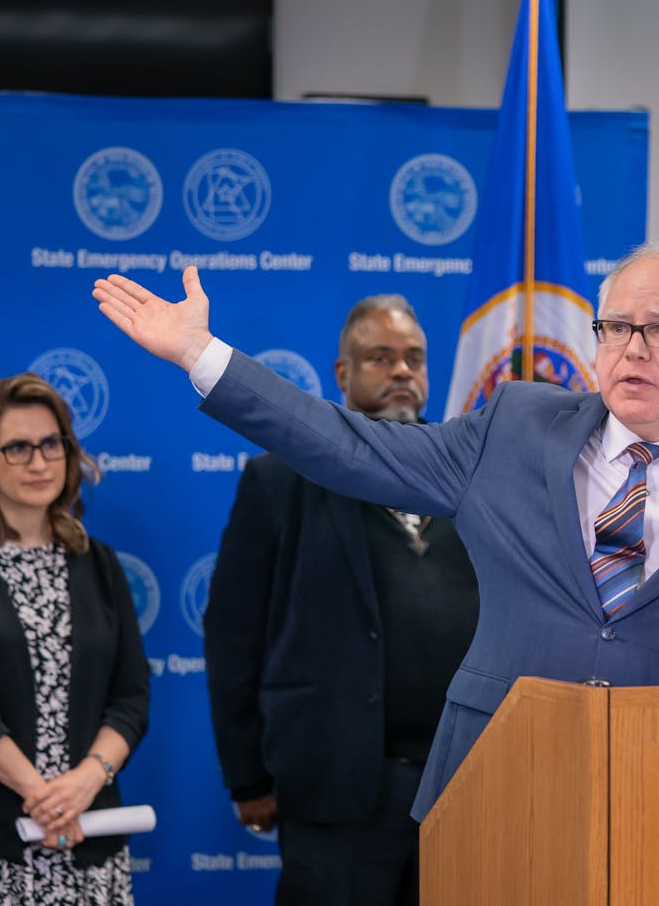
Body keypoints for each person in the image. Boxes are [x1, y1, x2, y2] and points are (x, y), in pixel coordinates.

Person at [92, 243, 659, 824]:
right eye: (614, 327)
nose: (633, 348)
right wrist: (201, 353)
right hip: (495, 787)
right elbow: (347, 445)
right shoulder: (515, 426)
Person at [203, 295, 479, 906]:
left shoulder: (473, 481)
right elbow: (233, 637)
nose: (403, 371)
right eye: (381, 358)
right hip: (336, 790)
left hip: (465, 787)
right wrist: (246, 775)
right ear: (343, 376)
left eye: (414, 358)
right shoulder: (279, 482)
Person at [0, 374, 150, 903]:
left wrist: (87, 780)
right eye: (18, 448)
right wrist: (41, 795)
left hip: (87, 841)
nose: (39, 463)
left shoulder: (98, 562)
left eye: (51, 444)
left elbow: (131, 698)